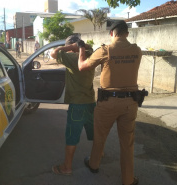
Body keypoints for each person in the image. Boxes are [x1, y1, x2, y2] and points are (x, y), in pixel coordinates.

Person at [76, 20, 142, 185]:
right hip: (130, 103)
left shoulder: (105, 50)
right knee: (127, 144)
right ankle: (128, 180)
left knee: (100, 137)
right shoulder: (137, 50)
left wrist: (81, 50)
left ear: (111, 33)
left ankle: (94, 164)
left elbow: (82, 67)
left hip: (108, 103)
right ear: (127, 33)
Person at [50, 35, 96, 175]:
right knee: (95, 134)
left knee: (72, 137)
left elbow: (53, 53)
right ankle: (98, 157)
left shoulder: (71, 58)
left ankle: (67, 168)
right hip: (91, 103)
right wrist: (82, 46)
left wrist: (68, 47)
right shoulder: (90, 55)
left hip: (77, 105)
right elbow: (90, 47)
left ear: (72, 47)